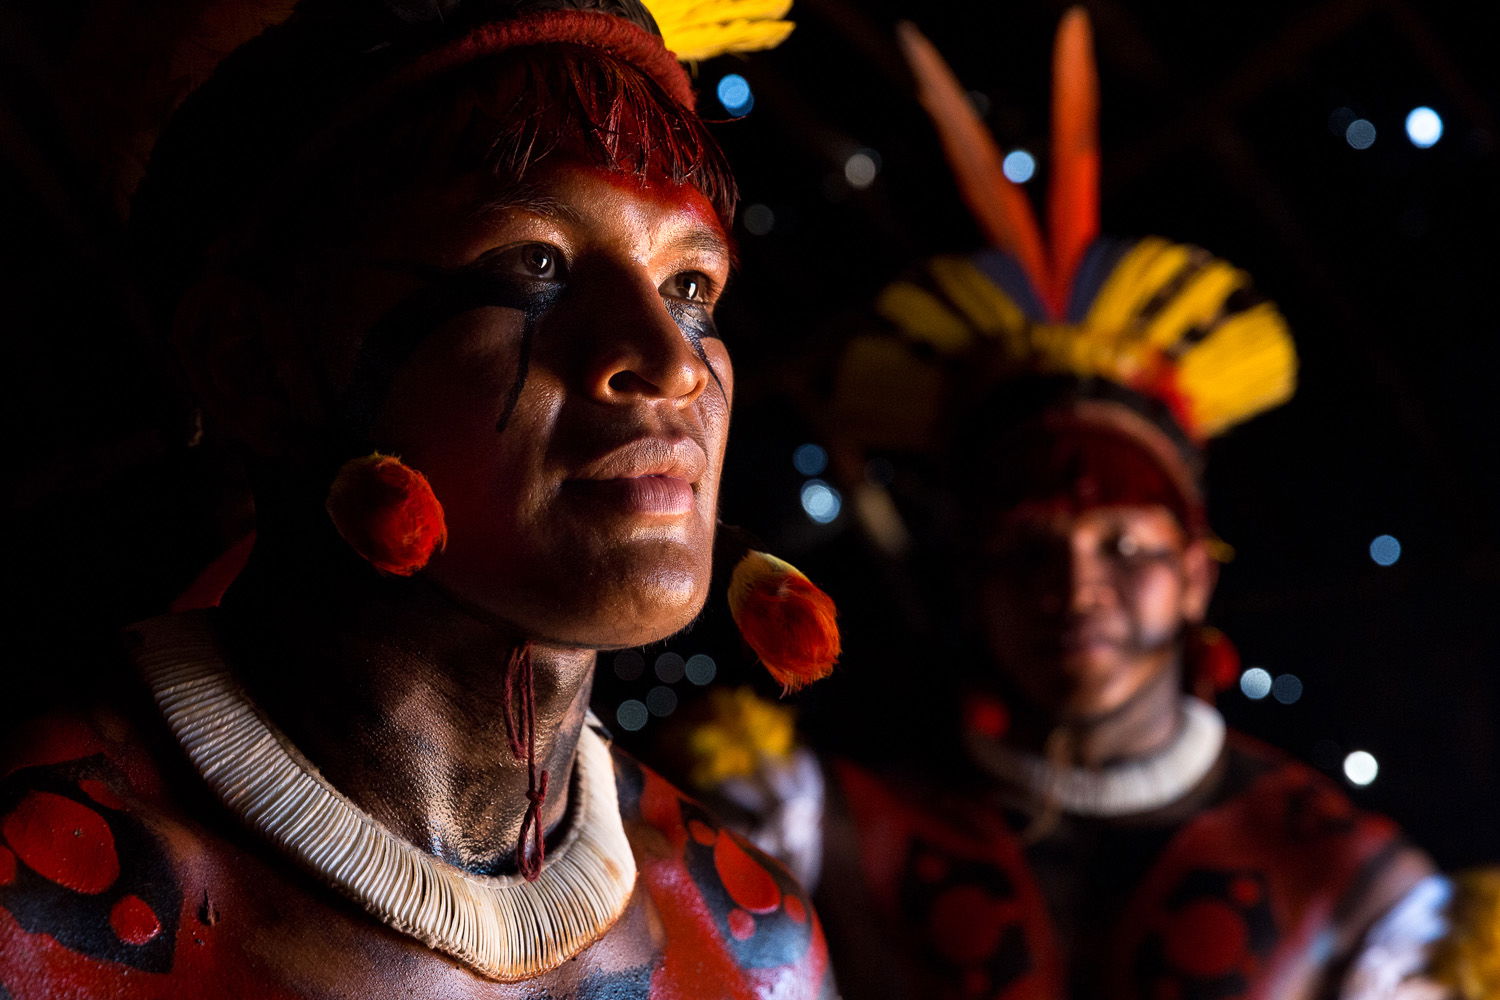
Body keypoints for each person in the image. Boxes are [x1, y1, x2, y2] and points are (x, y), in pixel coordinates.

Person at [0, 1, 836, 995]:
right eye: (535, 264)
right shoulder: (36, 906)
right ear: (251, 363)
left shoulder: (754, 943)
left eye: (691, 285)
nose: (669, 363)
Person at [812, 11, 1449, 1000]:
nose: (1077, 586)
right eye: (1028, 549)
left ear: (1195, 575)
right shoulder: (818, 831)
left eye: (1125, 545)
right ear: (974, 582)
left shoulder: (1361, 897)